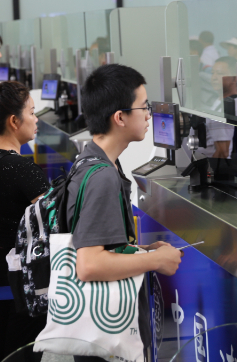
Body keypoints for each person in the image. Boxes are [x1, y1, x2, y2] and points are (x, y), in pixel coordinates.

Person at [67, 64, 182, 361]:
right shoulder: (102, 176)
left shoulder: (92, 159)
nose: (149, 115)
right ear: (119, 117)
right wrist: (157, 260)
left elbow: (95, 240)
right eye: (143, 107)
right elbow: (89, 264)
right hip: (107, 341)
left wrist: (141, 250)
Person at [0, 81, 50, 362]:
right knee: (22, 348)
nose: (36, 119)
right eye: (32, 112)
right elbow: (53, 218)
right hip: (23, 272)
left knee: (2, 341)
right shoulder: (21, 168)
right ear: (14, 121)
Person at [184, 57, 237, 160]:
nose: (214, 77)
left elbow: (223, 152)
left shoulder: (227, 106)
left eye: (220, 73)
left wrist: (209, 173)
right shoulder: (218, 101)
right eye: (213, 73)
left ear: (235, 78)